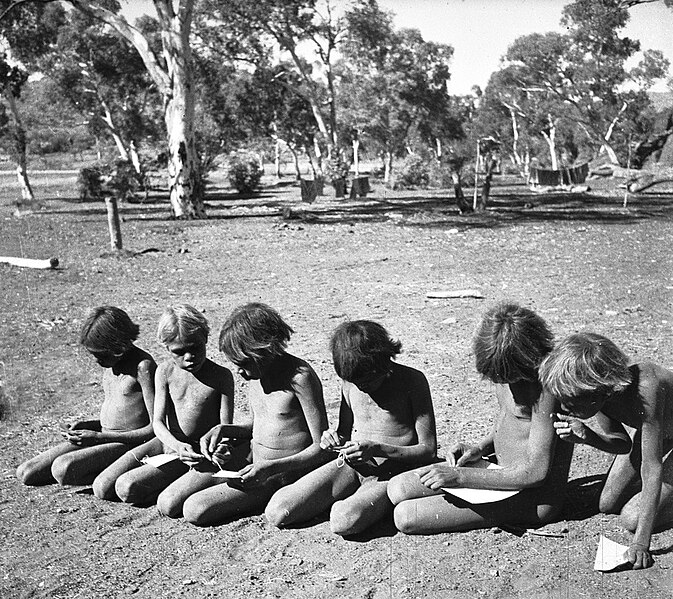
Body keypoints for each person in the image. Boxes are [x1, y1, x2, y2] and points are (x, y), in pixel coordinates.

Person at [388, 302, 573, 535]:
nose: (504, 382)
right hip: (498, 473)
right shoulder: (510, 376)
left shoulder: (545, 388)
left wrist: (460, 476)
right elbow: (512, 424)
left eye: (510, 376)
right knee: (397, 488)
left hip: (531, 496)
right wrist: (480, 448)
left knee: (406, 516)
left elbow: (535, 472)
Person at [265, 320, 437, 536]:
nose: (362, 387)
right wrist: (331, 438)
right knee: (278, 511)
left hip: (392, 471)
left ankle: (366, 503)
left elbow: (428, 449)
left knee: (344, 521)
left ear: (383, 363)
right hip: (352, 465)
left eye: (368, 381)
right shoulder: (351, 383)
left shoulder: (413, 381)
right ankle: (352, 499)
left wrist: (378, 449)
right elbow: (344, 433)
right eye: (356, 383)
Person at [181, 302, 328, 526]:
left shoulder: (300, 378)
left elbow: (322, 446)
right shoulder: (257, 375)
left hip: (284, 472)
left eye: (243, 364)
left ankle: (279, 497)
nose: (239, 372)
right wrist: (224, 430)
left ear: (264, 350)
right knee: (173, 501)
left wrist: (271, 468)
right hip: (255, 467)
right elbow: (256, 426)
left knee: (195, 509)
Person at [539, 332, 673, 570]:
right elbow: (622, 443)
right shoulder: (599, 395)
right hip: (661, 432)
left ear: (602, 391)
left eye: (571, 402)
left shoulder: (647, 389)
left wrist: (641, 543)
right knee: (607, 503)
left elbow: (651, 468)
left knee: (632, 518)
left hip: (661, 429)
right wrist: (588, 437)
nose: (564, 407)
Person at [16, 306, 156, 500]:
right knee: (26, 472)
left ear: (119, 346)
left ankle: (116, 470)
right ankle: (99, 464)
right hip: (102, 437)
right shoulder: (111, 365)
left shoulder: (143, 367)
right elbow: (120, 414)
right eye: (94, 355)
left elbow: (154, 427)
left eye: (101, 355)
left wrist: (98, 437)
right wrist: (89, 426)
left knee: (63, 469)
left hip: (126, 442)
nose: (97, 361)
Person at [114, 304, 234, 514]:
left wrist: (220, 448)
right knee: (119, 487)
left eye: (195, 347)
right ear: (166, 348)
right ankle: (175, 478)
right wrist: (177, 446)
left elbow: (225, 428)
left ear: (205, 339)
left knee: (168, 505)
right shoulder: (164, 372)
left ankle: (186, 481)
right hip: (171, 446)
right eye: (179, 351)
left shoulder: (221, 376)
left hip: (199, 453)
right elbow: (158, 422)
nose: (189, 357)